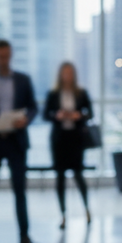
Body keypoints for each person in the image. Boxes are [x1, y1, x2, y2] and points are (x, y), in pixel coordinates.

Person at [0, 39, 39, 243]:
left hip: (15, 141)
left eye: (8, 56)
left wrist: (26, 119)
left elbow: (33, 107)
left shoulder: (23, 80)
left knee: (20, 190)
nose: (5, 60)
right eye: (1, 56)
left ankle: (24, 236)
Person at [44, 62, 93, 229]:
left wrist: (78, 115)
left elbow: (90, 113)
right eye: (64, 73)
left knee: (79, 175)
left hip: (76, 140)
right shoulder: (53, 94)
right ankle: (63, 214)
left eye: (70, 73)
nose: (67, 76)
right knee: (60, 178)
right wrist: (57, 115)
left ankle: (87, 209)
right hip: (59, 141)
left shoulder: (81, 93)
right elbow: (46, 114)